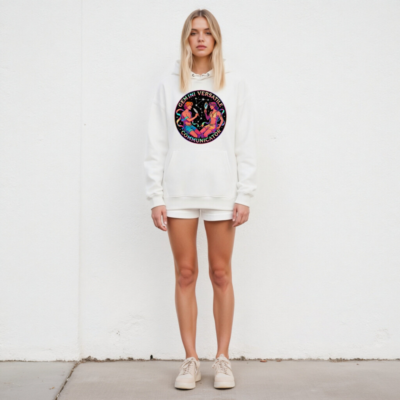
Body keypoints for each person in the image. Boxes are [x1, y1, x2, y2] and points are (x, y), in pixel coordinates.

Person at [143, 9, 257, 390]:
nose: (201, 38)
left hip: (222, 192)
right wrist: (156, 196)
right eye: (194, 33)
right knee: (186, 273)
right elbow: (156, 144)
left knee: (221, 273)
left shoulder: (234, 83)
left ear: (216, 38)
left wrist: (244, 193)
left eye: (207, 32)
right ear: (186, 39)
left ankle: (222, 359)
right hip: (179, 192)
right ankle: (190, 359)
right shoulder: (168, 84)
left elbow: (244, 142)